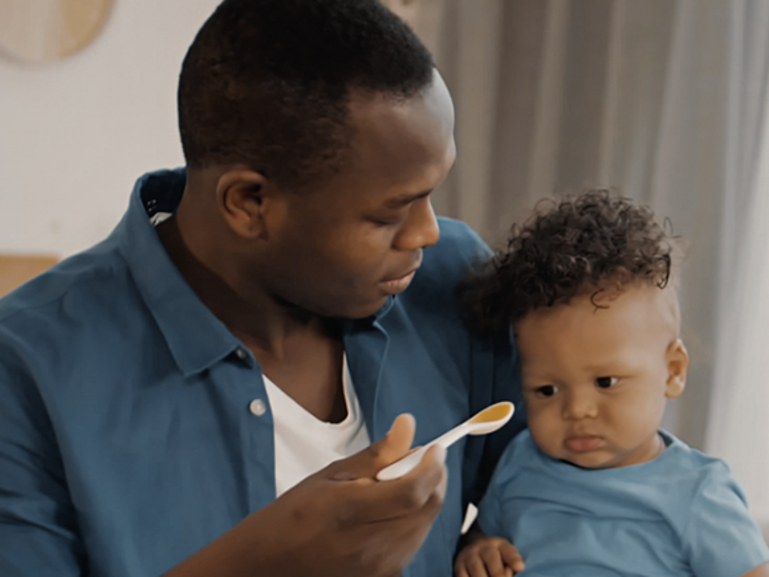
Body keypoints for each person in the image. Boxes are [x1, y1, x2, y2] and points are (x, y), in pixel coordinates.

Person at [0, 1, 524, 576]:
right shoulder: (25, 370)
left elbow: (610, 480)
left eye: (431, 191)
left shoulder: (456, 281)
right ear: (249, 203)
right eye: (386, 215)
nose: (427, 232)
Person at [455, 190, 769, 577]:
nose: (576, 410)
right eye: (546, 390)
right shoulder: (519, 462)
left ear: (672, 371)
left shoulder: (698, 492)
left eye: (605, 381)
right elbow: (478, 537)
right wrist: (479, 549)